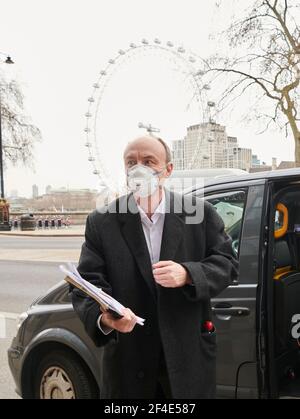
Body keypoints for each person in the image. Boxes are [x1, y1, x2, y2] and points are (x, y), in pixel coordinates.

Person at [71, 136, 239, 399]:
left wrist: (188, 274)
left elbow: (227, 264)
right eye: (131, 162)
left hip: (187, 359)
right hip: (129, 361)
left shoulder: (200, 213)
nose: (139, 168)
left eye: (149, 161)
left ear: (168, 170)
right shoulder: (102, 221)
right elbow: (87, 283)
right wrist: (105, 318)